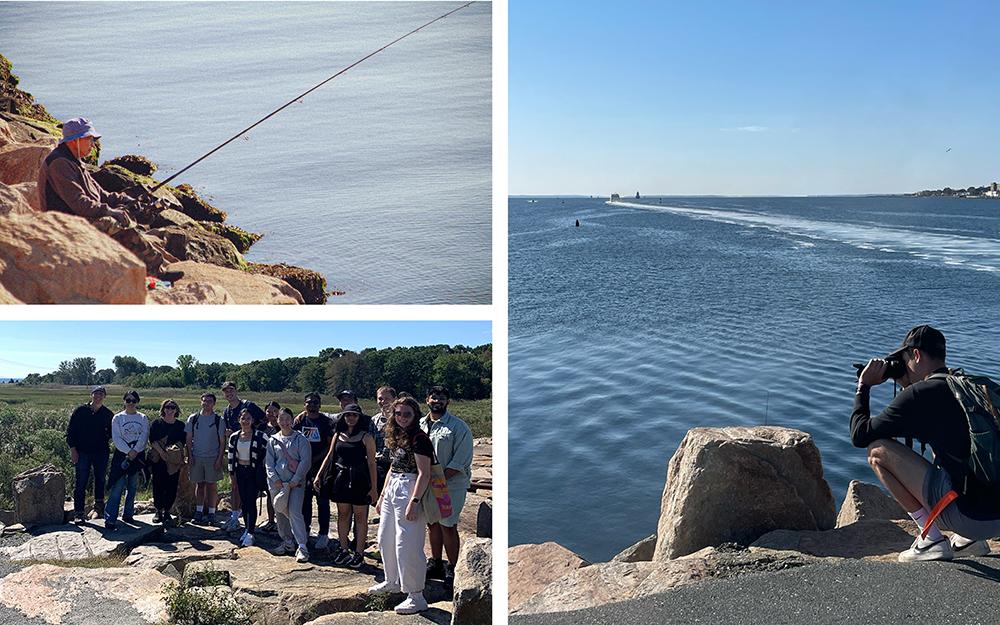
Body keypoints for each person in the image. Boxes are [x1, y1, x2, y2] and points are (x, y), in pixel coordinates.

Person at [852, 325, 1000, 561]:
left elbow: (860, 435)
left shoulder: (919, 395)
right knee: (950, 448)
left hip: (970, 518)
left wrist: (864, 386)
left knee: (877, 450)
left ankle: (931, 539)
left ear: (916, 355)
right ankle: (969, 542)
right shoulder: (971, 386)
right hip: (996, 518)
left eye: (904, 359)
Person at [36, 117, 182, 281]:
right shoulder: (59, 164)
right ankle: (156, 271)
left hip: (80, 217)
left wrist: (126, 200)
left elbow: (101, 194)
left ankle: (141, 268)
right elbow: (79, 203)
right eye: (90, 139)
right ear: (75, 140)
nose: (93, 144)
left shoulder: (74, 161)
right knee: (115, 223)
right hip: (66, 223)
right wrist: (112, 212)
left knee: (125, 214)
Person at [370, 396, 432, 614]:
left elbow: (425, 473)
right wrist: (382, 495)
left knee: (407, 543)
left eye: (407, 414)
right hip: (393, 485)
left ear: (415, 415)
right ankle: (392, 580)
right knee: (385, 538)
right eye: (398, 414)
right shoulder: (397, 435)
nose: (402, 417)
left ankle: (416, 595)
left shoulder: (419, 438)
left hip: (410, 486)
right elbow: (392, 467)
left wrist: (414, 502)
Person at [421, 385, 474, 588]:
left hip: (450, 485)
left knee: (448, 525)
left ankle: (452, 567)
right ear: (427, 400)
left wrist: (438, 480)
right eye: (434, 397)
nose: (437, 401)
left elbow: (460, 461)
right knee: (432, 523)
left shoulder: (459, 428)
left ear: (448, 402)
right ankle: (435, 562)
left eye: (442, 398)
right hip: (426, 484)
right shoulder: (420, 425)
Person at [314, 403, 379, 568]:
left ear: (359, 418)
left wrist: (374, 487)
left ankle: (359, 553)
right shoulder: (338, 434)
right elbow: (329, 456)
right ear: (343, 417)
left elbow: (371, 463)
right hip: (341, 479)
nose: (351, 418)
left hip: (360, 480)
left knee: (360, 516)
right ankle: (343, 549)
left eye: (354, 415)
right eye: (348, 415)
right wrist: (319, 475)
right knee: (343, 515)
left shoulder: (366, 437)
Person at [266, 407, 312, 563]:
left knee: (294, 512)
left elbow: (305, 461)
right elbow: (269, 463)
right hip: (278, 484)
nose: (285, 422)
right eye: (282, 419)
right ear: (277, 421)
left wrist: (296, 479)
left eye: (288, 419)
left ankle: (302, 545)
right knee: (279, 511)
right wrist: (275, 479)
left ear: (292, 420)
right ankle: (287, 541)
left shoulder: (301, 439)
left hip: (296, 484)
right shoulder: (273, 440)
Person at [220, 381, 266, 532]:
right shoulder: (227, 411)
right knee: (235, 489)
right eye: (226, 391)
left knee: (251, 496)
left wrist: (252, 432)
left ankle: (251, 527)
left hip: (252, 458)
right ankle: (236, 517)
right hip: (237, 454)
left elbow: (264, 419)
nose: (229, 393)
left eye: (231, 390)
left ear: (236, 390)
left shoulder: (249, 405)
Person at [294, 391, 336, 550]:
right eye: (309, 403)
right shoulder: (299, 421)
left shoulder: (327, 422)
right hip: (302, 468)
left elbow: (329, 446)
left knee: (322, 502)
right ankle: (305, 530)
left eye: (315, 403)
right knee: (304, 501)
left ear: (320, 405)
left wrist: (314, 460)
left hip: (321, 468)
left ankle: (323, 534)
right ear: (304, 405)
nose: (312, 405)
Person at [66, 385, 113, 523]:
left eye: (101, 394)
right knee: (81, 482)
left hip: (101, 453)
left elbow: (112, 434)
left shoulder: (108, 414)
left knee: (100, 480)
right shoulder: (80, 411)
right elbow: (70, 432)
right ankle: (79, 513)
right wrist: (73, 450)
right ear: (91, 395)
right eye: (96, 393)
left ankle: (98, 509)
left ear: (104, 397)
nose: (98, 396)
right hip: (82, 452)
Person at [105, 390, 149, 530]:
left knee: (132, 486)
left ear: (137, 402)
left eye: (133, 401)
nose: (131, 403)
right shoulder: (118, 418)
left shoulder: (142, 418)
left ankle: (128, 514)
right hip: (122, 455)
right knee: (117, 487)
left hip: (138, 454)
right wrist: (128, 451)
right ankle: (110, 518)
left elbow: (144, 435)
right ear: (124, 401)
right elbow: (116, 438)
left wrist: (136, 450)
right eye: (128, 400)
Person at [227, 409, 269, 547]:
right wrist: (232, 475)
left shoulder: (260, 436)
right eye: (243, 418)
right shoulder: (234, 437)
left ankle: (251, 532)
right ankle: (247, 528)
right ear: (239, 419)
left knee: (251, 501)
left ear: (252, 420)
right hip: (240, 471)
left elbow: (268, 453)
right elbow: (231, 457)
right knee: (244, 502)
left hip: (254, 472)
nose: (245, 421)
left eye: (248, 418)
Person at [185, 392, 226, 524]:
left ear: (214, 404)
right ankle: (199, 511)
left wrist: (219, 459)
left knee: (212, 486)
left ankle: (212, 513)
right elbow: (189, 439)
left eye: (209, 401)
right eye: (204, 400)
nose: (206, 403)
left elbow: (222, 441)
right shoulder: (193, 418)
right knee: (200, 485)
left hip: (212, 457)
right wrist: (189, 455)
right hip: (197, 456)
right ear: (200, 402)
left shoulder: (218, 420)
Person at [149, 399, 187, 525]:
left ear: (176, 410)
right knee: (158, 484)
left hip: (174, 461)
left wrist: (171, 452)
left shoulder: (180, 426)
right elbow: (152, 440)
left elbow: (183, 442)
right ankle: (158, 511)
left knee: (171, 485)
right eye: (167, 407)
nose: (169, 410)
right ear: (163, 409)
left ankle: (167, 511)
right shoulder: (156, 423)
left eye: (172, 407)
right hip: (159, 459)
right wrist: (162, 453)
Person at [259, 400, 282, 532]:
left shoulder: (283, 427)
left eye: (274, 411)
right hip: (264, 466)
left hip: (280, 466)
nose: (272, 414)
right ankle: (271, 520)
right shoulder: (262, 428)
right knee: (269, 493)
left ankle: (282, 521)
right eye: (269, 411)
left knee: (281, 494)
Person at [372, 386, 397, 495]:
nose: (383, 402)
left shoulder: (402, 418)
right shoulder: (374, 420)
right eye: (380, 399)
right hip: (379, 465)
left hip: (397, 466)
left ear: (394, 399)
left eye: (387, 398)